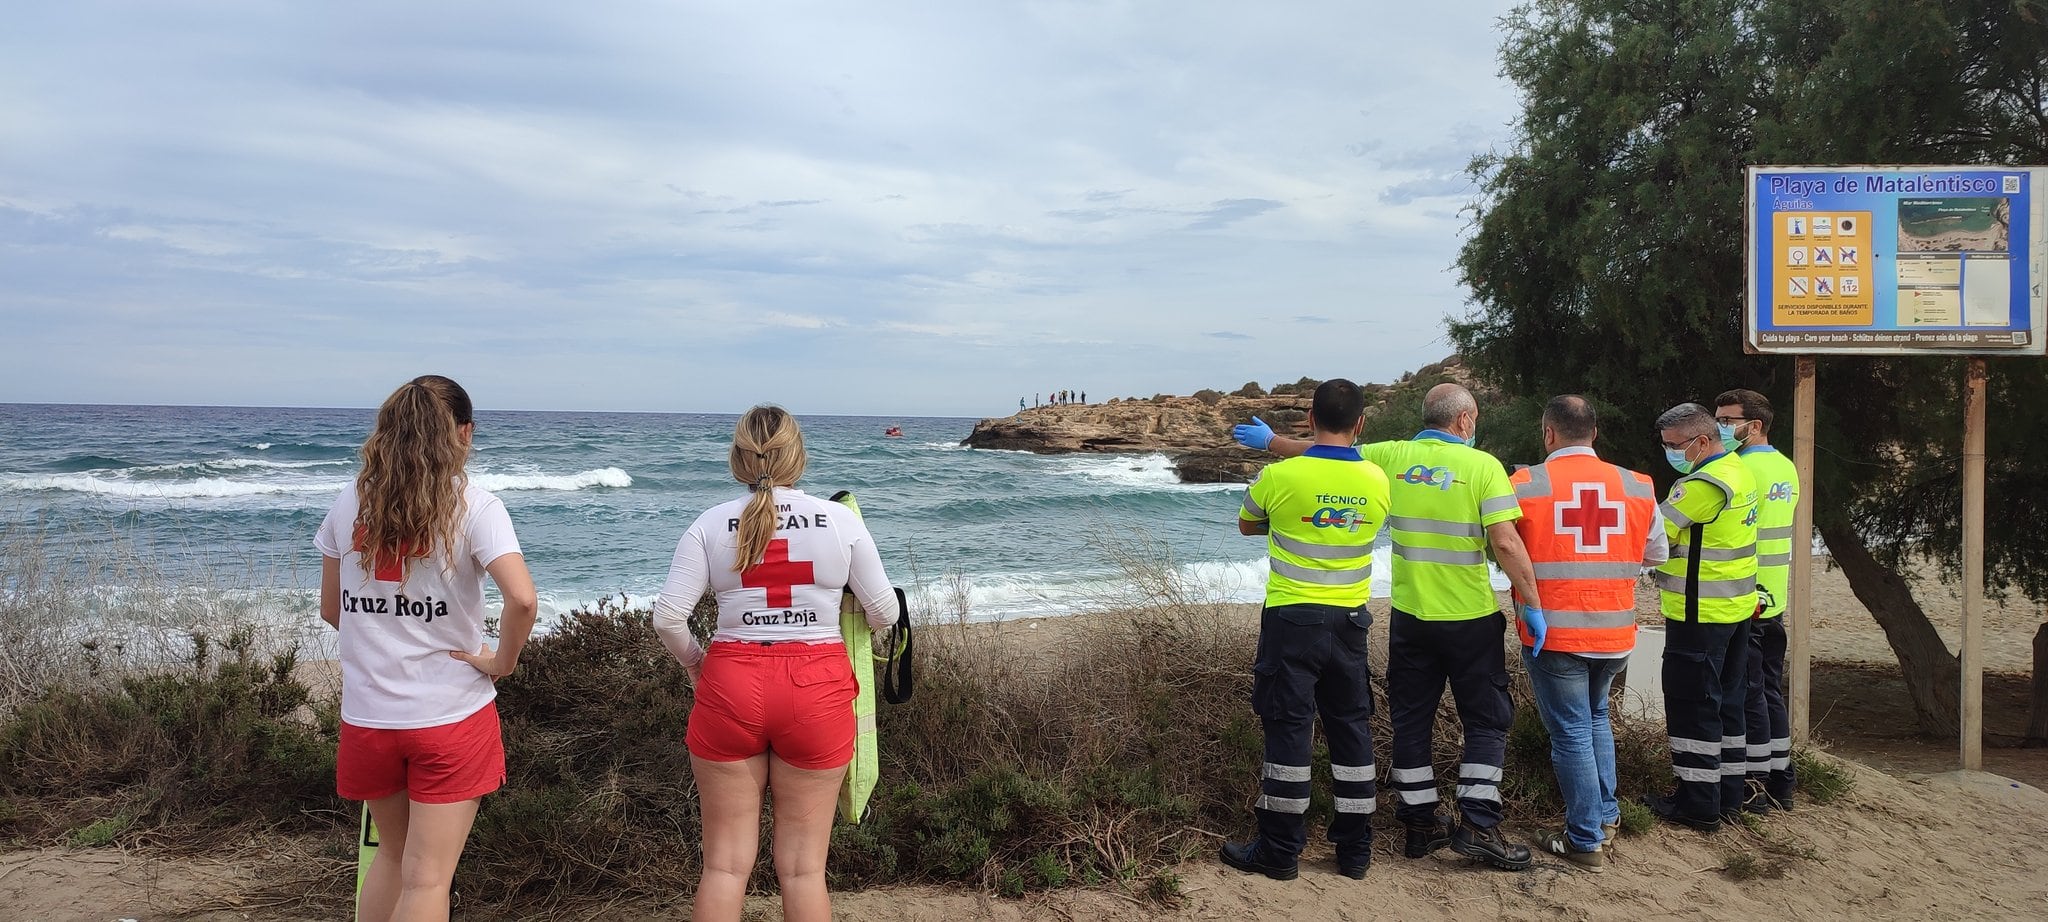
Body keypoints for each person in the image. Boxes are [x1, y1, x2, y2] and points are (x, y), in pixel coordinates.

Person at [1236, 383, 1542, 871]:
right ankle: (1471, 826)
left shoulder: (1389, 460)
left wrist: (1272, 443)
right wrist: (1531, 602)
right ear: (1466, 421)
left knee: (1409, 720)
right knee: (1483, 720)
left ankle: (1418, 823)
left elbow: (1324, 453)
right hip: (1464, 616)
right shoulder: (1481, 466)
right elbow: (1505, 542)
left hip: (1406, 616)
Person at [652, 405, 900, 922]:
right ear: (798, 456)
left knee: (723, 867)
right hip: (818, 686)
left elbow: (669, 618)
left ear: (738, 458)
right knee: (804, 871)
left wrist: (698, 666)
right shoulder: (840, 521)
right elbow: (884, 613)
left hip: (730, 681)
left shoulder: (709, 523)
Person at [316, 375, 538, 922]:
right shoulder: (476, 507)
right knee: (428, 879)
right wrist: (499, 663)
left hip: (368, 719)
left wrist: (383, 639)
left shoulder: (351, 501)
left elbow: (331, 609)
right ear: (464, 434)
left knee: (391, 859)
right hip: (448, 717)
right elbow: (523, 600)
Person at [1219, 379, 1392, 882]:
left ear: (1310, 419)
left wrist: (1296, 519)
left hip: (1293, 620)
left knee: (1289, 731)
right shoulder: (1378, 480)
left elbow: (1248, 525)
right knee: (1351, 730)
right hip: (1351, 623)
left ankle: (1278, 852)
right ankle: (1355, 853)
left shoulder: (1280, 475)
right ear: (1359, 424)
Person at [1508, 396, 1664, 872]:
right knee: (1597, 719)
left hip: (1554, 635)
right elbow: (1655, 552)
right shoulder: (1637, 485)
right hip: (1615, 631)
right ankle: (1607, 816)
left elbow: (1503, 547)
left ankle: (1584, 839)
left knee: (1572, 732)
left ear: (1548, 433)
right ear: (1594, 433)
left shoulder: (1524, 483)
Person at [1644, 402, 1759, 831]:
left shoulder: (1701, 484)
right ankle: (1727, 797)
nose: (1671, 453)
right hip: (1734, 607)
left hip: (1698, 612)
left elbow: (1653, 534)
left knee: (1693, 707)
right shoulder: (1739, 471)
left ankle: (1696, 803)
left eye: (1676, 446)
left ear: (1703, 441)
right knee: (1728, 704)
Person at [1716, 388, 1800, 811]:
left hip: (1747, 597)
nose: (1721, 427)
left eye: (1729, 420)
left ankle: (1755, 784)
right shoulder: (1786, 467)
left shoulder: (1740, 469)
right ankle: (1781, 781)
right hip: (1774, 594)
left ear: (1755, 425)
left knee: (1748, 693)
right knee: (1768, 689)